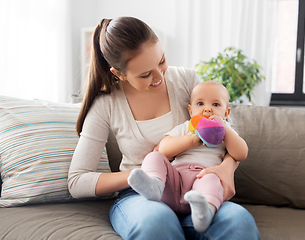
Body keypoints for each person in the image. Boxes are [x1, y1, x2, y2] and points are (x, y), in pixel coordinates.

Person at [68, 16, 260, 240]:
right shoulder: (106, 104)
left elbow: (224, 132)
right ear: (119, 74)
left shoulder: (187, 80)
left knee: (239, 223)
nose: (160, 77)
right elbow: (77, 181)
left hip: (198, 186)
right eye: (145, 74)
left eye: (161, 61)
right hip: (142, 196)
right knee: (157, 223)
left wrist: (227, 167)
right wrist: (145, 175)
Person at [128, 81, 248, 233]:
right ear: (191, 111)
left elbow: (241, 153)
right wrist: (192, 139)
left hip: (203, 178)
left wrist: (224, 129)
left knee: (212, 179)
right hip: (175, 180)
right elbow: (164, 148)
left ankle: (206, 211)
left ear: (226, 113)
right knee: (154, 156)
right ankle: (154, 185)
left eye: (216, 105)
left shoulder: (227, 132)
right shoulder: (186, 127)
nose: (207, 109)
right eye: (200, 103)